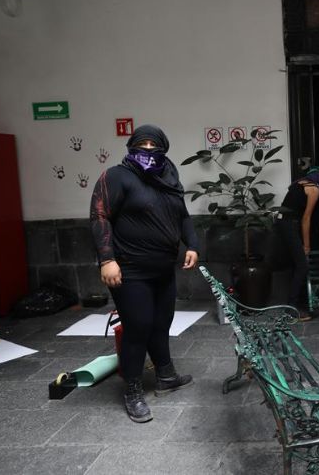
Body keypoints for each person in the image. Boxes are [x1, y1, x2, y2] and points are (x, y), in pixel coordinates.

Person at [89, 124, 199, 423]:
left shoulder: (169, 177)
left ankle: (165, 376)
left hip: (163, 268)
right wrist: (106, 259)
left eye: (154, 145)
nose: (148, 150)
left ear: (163, 148)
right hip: (129, 270)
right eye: (142, 144)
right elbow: (99, 215)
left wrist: (192, 244)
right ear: (131, 146)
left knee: (162, 322)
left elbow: (183, 215)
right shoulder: (117, 176)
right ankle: (133, 391)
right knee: (138, 326)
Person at [267, 164, 319, 319]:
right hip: (289, 225)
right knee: (302, 265)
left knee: (297, 264)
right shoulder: (314, 190)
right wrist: (306, 245)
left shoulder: (301, 182)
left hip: (282, 223)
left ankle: (299, 301)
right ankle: (291, 309)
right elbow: (305, 219)